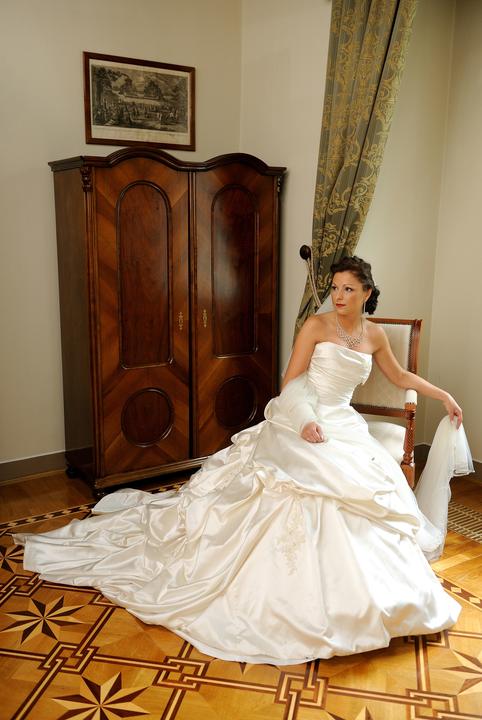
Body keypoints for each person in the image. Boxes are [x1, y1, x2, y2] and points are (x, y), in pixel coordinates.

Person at [13, 256, 473, 666]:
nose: (338, 296)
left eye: (348, 289)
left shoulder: (374, 335)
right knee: (294, 487)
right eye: (334, 288)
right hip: (306, 419)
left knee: (365, 492)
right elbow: (290, 381)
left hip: (344, 426)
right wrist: (305, 421)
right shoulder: (316, 326)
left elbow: (400, 376)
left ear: (366, 293)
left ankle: (372, 598)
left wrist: (443, 395)